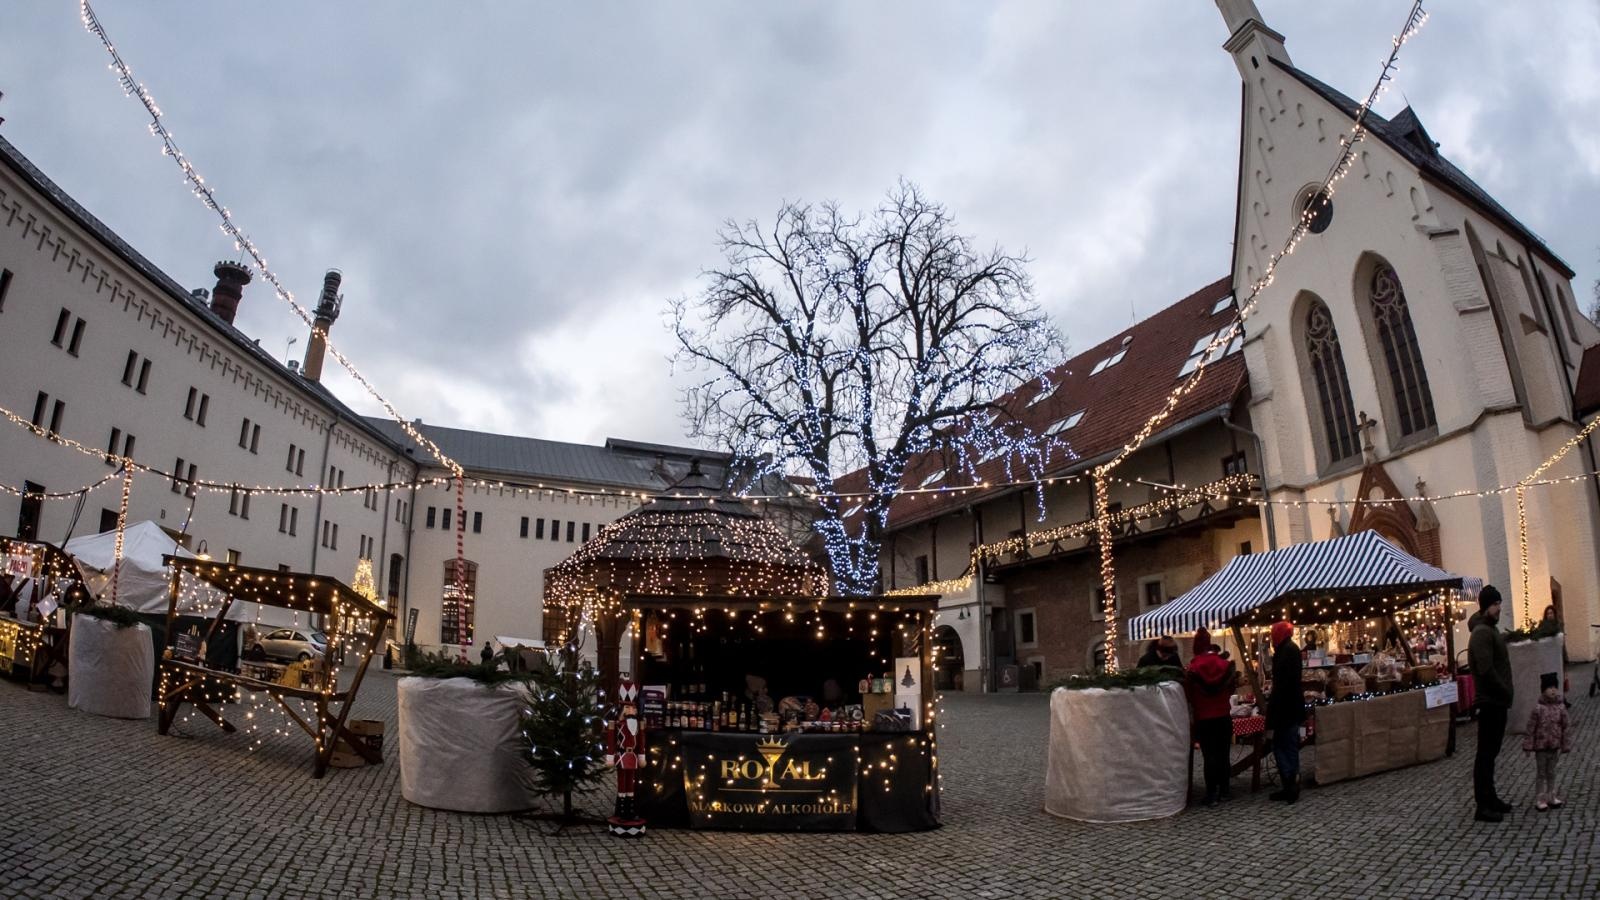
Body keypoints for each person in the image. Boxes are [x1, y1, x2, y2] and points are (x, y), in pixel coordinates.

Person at [1468, 585, 1514, 823]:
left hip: (1496, 700)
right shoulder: (1482, 633)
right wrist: (1504, 690)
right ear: (1487, 606)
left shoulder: (1488, 630)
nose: (1499, 608)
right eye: (1496, 604)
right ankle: (1483, 805)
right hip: (1490, 701)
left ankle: (1491, 797)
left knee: (1491, 753)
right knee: (1485, 754)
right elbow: (1486, 670)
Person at [1186, 628, 1238, 807]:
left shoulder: (1193, 667)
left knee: (1210, 756)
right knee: (1223, 754)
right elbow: (1231, 689)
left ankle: (1211, 793)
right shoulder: (1224, 665)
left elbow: (1190, 694)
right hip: (1223, 716)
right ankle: (1225, 790)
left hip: (1204, 718)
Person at [1265, 620, 1303, 803]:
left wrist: (1272, 713)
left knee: (1282, 746)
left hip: (1285, 708)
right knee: (1289, 746)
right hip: (1292, 707)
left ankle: (1290, 784)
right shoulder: (1291, 649)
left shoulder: (1285, 652)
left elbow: (1281, 686)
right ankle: (1291, 783)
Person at [1522, 672, 1572, 811]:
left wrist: (1565, 744)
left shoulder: (1561, 708)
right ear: (1543, 690)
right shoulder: (1538, 709)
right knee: (1541, 773)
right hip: (1541, 748)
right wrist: (1527, 746)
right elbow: (1530, 728)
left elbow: (1566, 726)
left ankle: (1551, 796)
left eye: (1554, 687)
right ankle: (1540, 798)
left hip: (1554, 747)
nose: (1553, 690)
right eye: (1549, 687)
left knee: (1552, 772)